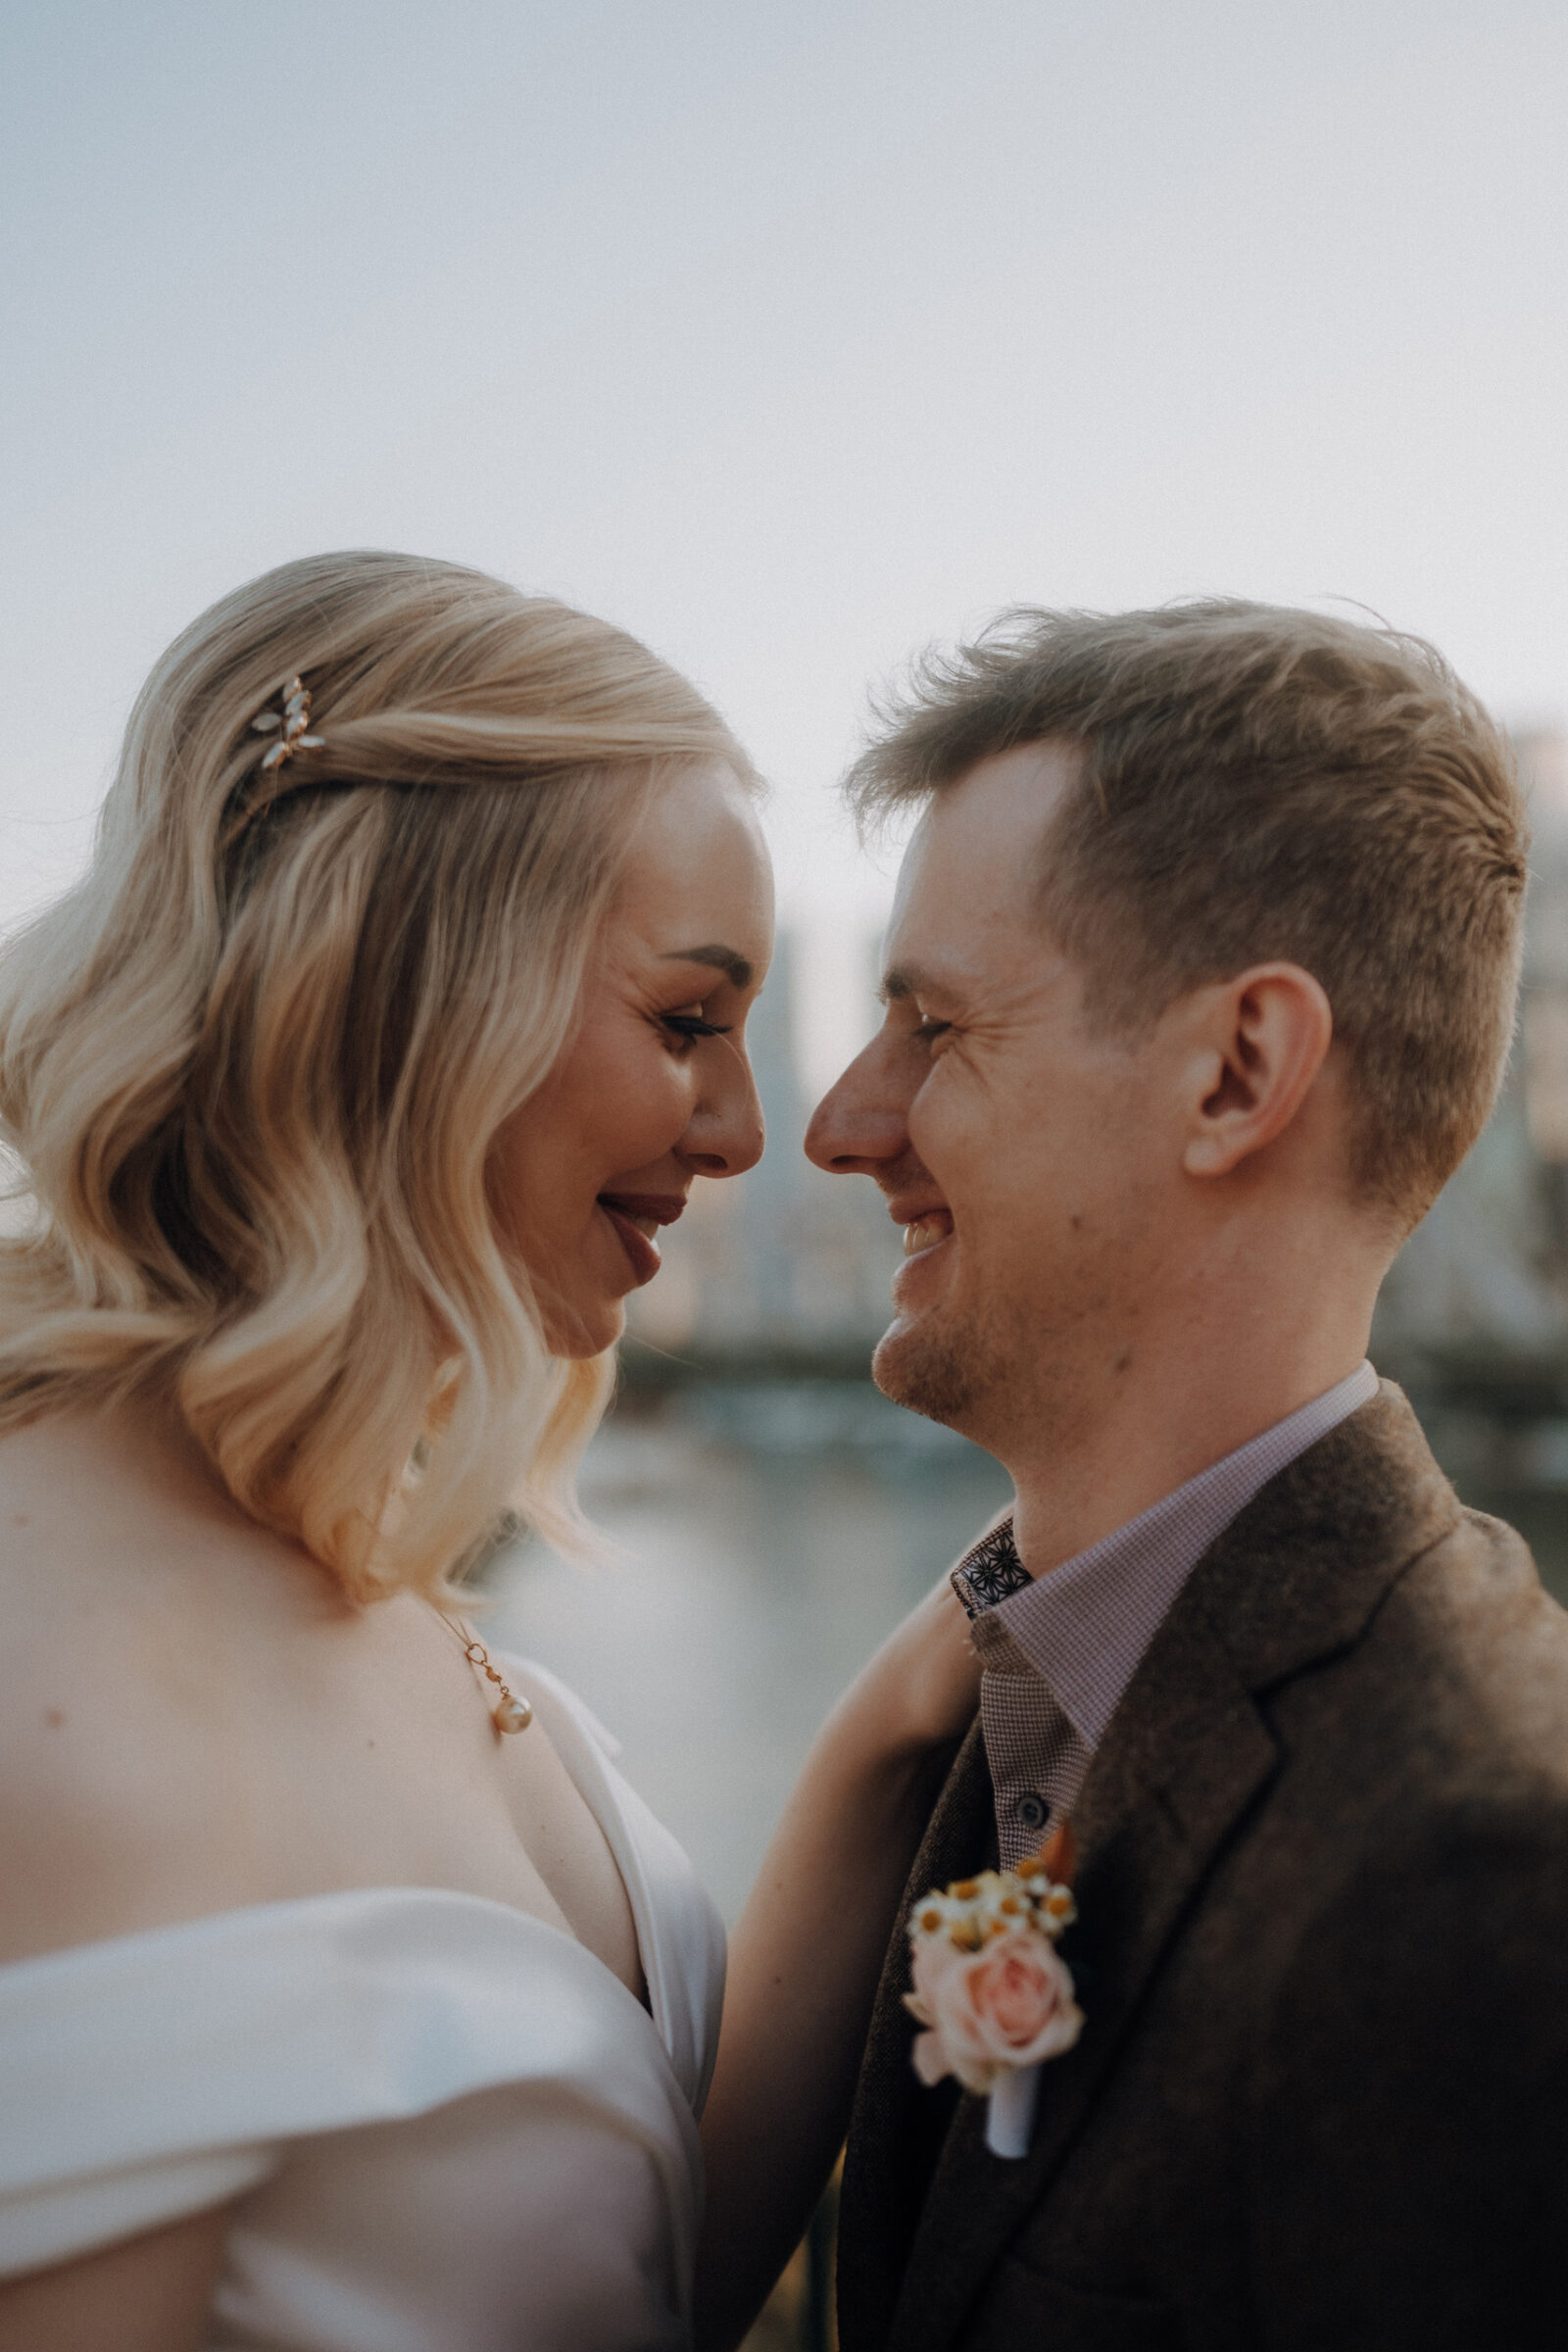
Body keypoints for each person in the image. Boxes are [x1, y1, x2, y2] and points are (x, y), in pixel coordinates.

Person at [0, 551, 979, 2352]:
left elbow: (619, 2259)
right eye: (687, 1020)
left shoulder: (318, 1523)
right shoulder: (56, 1711)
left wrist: (899, 1720)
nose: (751, 1130)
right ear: (394, 988)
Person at [804, 602, 1568, 2351]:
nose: (840, 1122)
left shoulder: (1489, 1885)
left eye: (931, 1023)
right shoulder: (1032, 1678)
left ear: (1235, 1074)